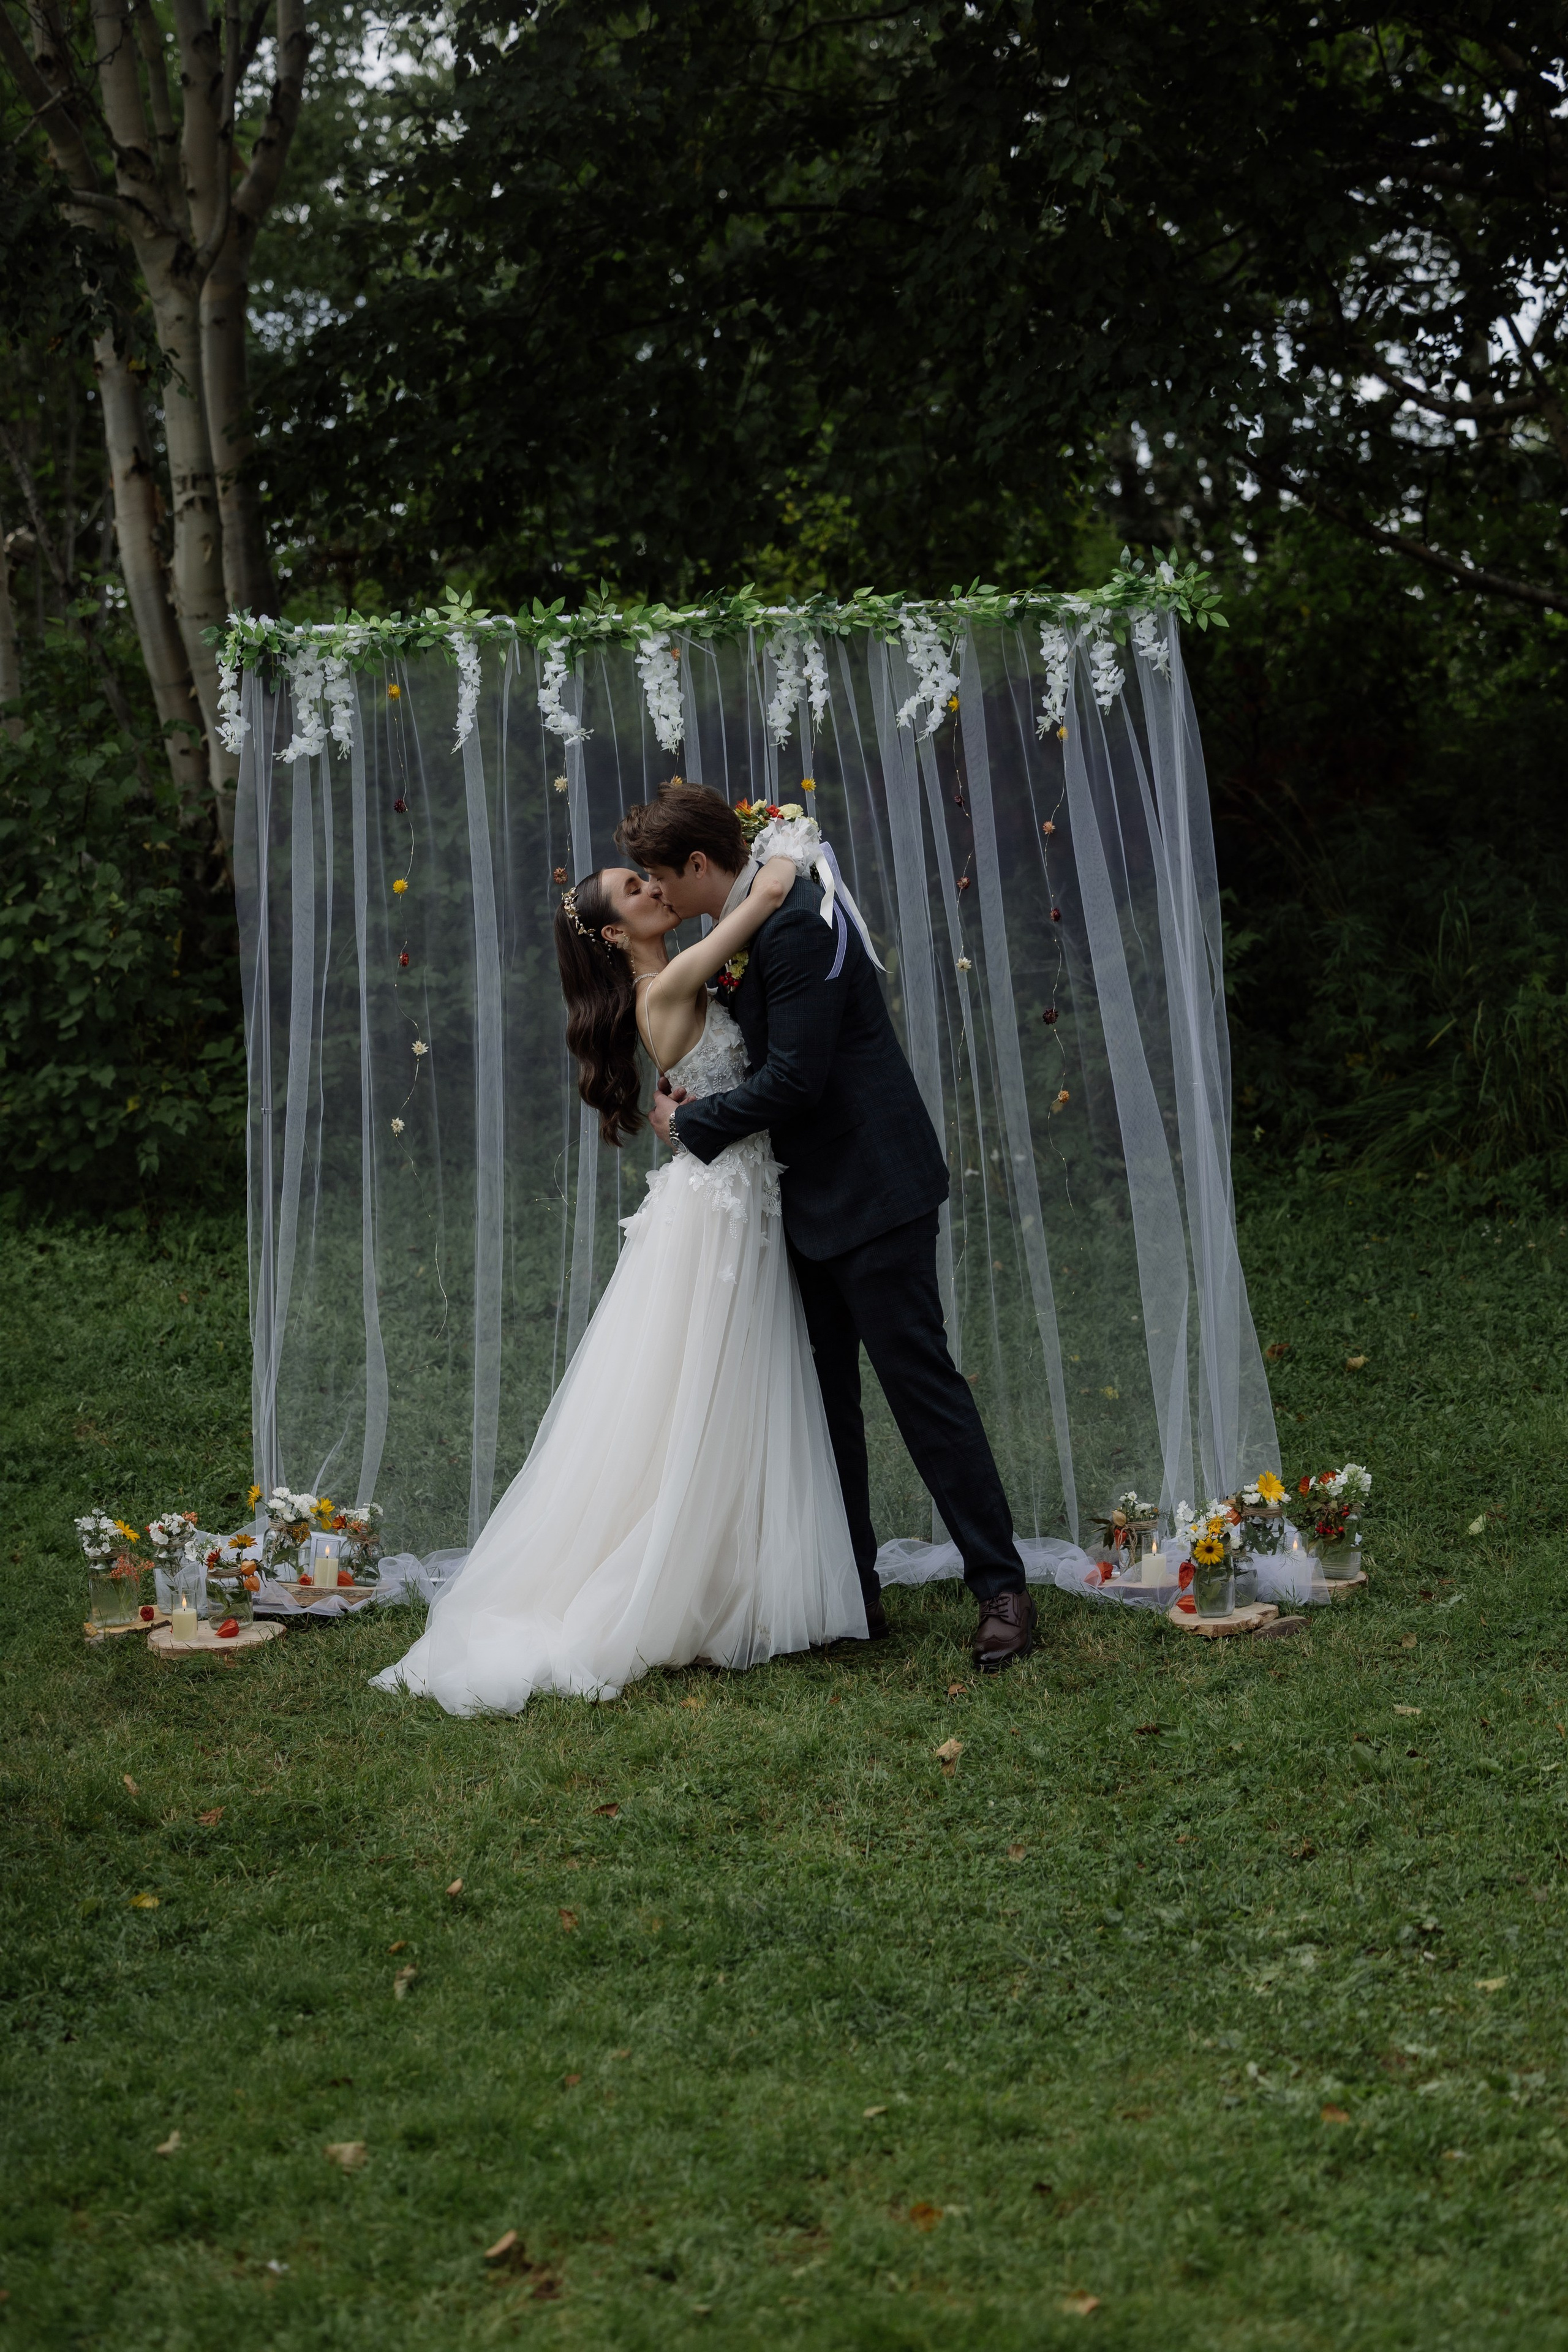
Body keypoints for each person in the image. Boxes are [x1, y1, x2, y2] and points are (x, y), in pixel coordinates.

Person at [371, 849, 867, 1715]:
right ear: (613, 931)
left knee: (729, 1389)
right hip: (718, 1209)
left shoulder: (673, 980)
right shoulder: (668, 984)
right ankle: (677, 1576)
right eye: (636, 889)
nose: (653, 889)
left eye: (650, 878)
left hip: (734, 1193)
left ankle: (734, 1570)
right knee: (703, 1389)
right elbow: (774, 894)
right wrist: (778, 852)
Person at [622, 782, 1036, 1673]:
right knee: (823, 1406)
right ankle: (853, 1592)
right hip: (793, 1200)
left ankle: (1002, 1588)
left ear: (701, 865)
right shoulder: (748, 914)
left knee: (920, 1391)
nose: (659, 897)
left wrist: (691, 1126)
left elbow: (800, 1078)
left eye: (663, 879)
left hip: (872, 1185)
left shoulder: (798, 920)